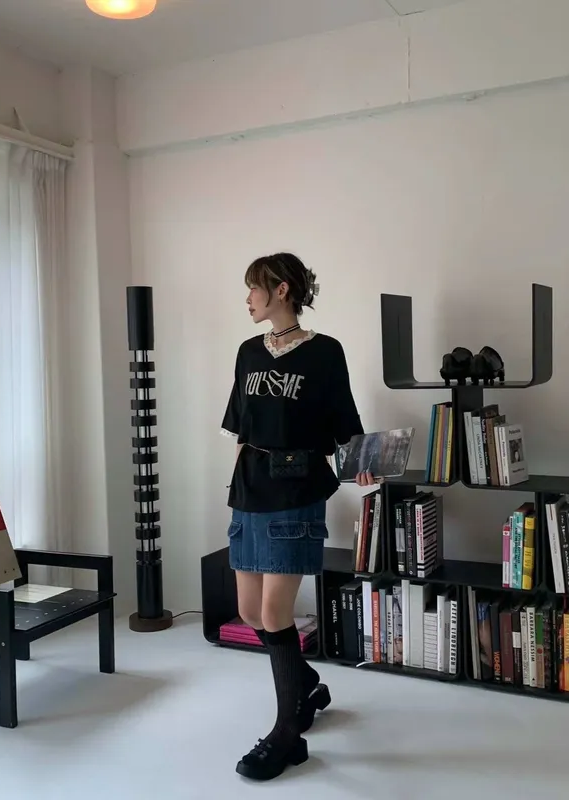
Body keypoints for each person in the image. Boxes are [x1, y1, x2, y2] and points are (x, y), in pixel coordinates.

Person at [221, 252, 375, 781]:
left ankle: (288, 734)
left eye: (254, 288)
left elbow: (345, 420)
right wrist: (235, 484)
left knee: (275, 612)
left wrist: (362, 462)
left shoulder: (325, 352)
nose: (248, 298)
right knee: (249, 611)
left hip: (297, 487)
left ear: (281, 290)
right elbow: (241, 428)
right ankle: (304, 684)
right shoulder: (248, 352)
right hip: (250, 487)